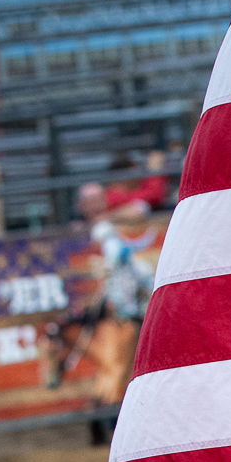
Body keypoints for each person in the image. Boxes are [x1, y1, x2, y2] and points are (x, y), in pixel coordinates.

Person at [74, 182, 157, 440]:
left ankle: (111, 419)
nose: (96, 204)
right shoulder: (86, 230)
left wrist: (106, 219)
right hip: (112, 306)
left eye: (99, 198)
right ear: (81, 206)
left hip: (127, 306)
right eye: (90, 200)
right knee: (114, 364)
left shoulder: (109, 225)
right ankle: (107, 419)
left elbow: (141, 208)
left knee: (120, 364)